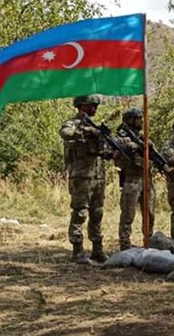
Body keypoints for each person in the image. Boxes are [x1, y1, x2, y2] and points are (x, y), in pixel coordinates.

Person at [59, 95, 109, 264]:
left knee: (97, 213)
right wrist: (84, 131)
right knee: (80, 213)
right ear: (82, 106)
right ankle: (78, 250)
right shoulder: (73, 123)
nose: (95, 108)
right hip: (80, 177)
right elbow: (65, 133)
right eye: (91, 105)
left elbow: (105, 151)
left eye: (96, 105)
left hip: (98, 176)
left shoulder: (95, 126)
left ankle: (97, 249)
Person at [115, 107, 156, 251]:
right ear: (130, 120)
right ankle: (125, 244)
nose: (141, 121)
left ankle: (148, 241)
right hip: (131, 179)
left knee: (150, 213)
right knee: (128, 214)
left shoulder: (142, 137)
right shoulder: (122, 137)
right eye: (138, 119)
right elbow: (114, 148)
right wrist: (128, 145)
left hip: (147, 179)